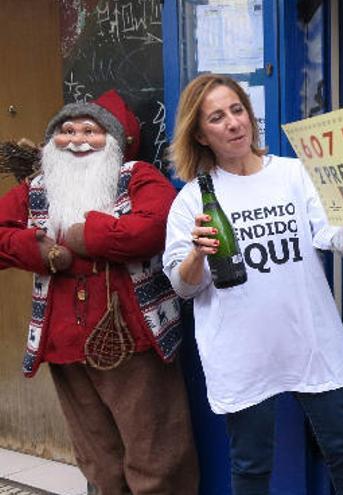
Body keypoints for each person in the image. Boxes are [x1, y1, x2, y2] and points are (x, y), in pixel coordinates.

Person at [163, 74, 343, 495]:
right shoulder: (192, 199)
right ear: (201, 134)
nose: (232, 123)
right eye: (217, 117)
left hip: (310, 340)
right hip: (243, 353)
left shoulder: (294, 174)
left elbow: (329, 233)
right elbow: (182, 286)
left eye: (237, 110)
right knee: (251, 465)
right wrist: (197, 254)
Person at [0, 90, 199, 493]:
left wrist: (84, 236)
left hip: (133, 340)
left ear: (115, 140)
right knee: (98, 459)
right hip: (64, 344)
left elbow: (155, 226)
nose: (77, 139)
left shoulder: (137, 177)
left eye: (90, 130)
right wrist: (38, 250)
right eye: (66, 130)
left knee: (156, 454)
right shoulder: (36, 189)